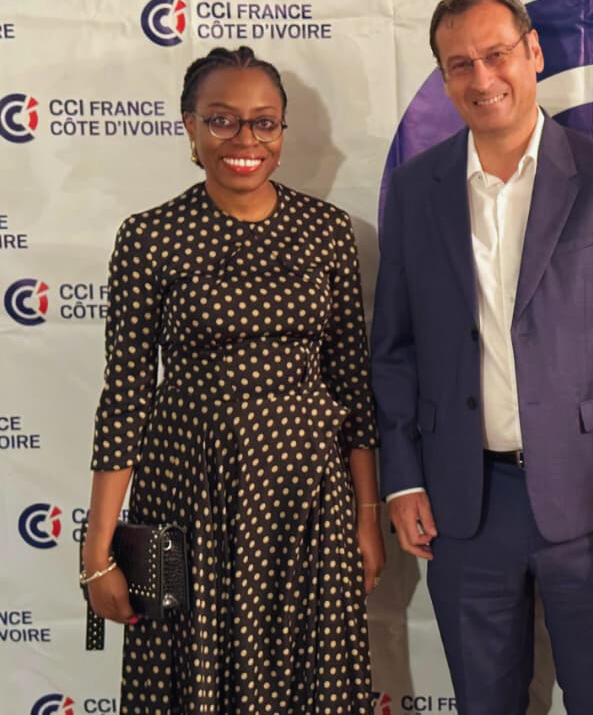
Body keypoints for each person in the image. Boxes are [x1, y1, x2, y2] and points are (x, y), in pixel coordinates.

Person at [371, 0, 593, 715]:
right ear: (443, 77)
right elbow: (394, 350)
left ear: (533, 52)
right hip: (462, 505)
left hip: (591, 498)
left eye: (496, 54)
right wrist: (403, 479)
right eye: (460, 64)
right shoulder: (416, 191)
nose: (482, 78)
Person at [80, 46, 384, 714]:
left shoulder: (327, 232)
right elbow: (126, 395)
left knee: (315, 681)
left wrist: (367, 517)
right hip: (191, 500)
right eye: (222, 120)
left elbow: (351, 389)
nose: (245, 140)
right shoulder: (151, 237)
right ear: (190, 126)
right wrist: (97, 547)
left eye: (264, 122)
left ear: (282, 130)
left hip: (308, 503)